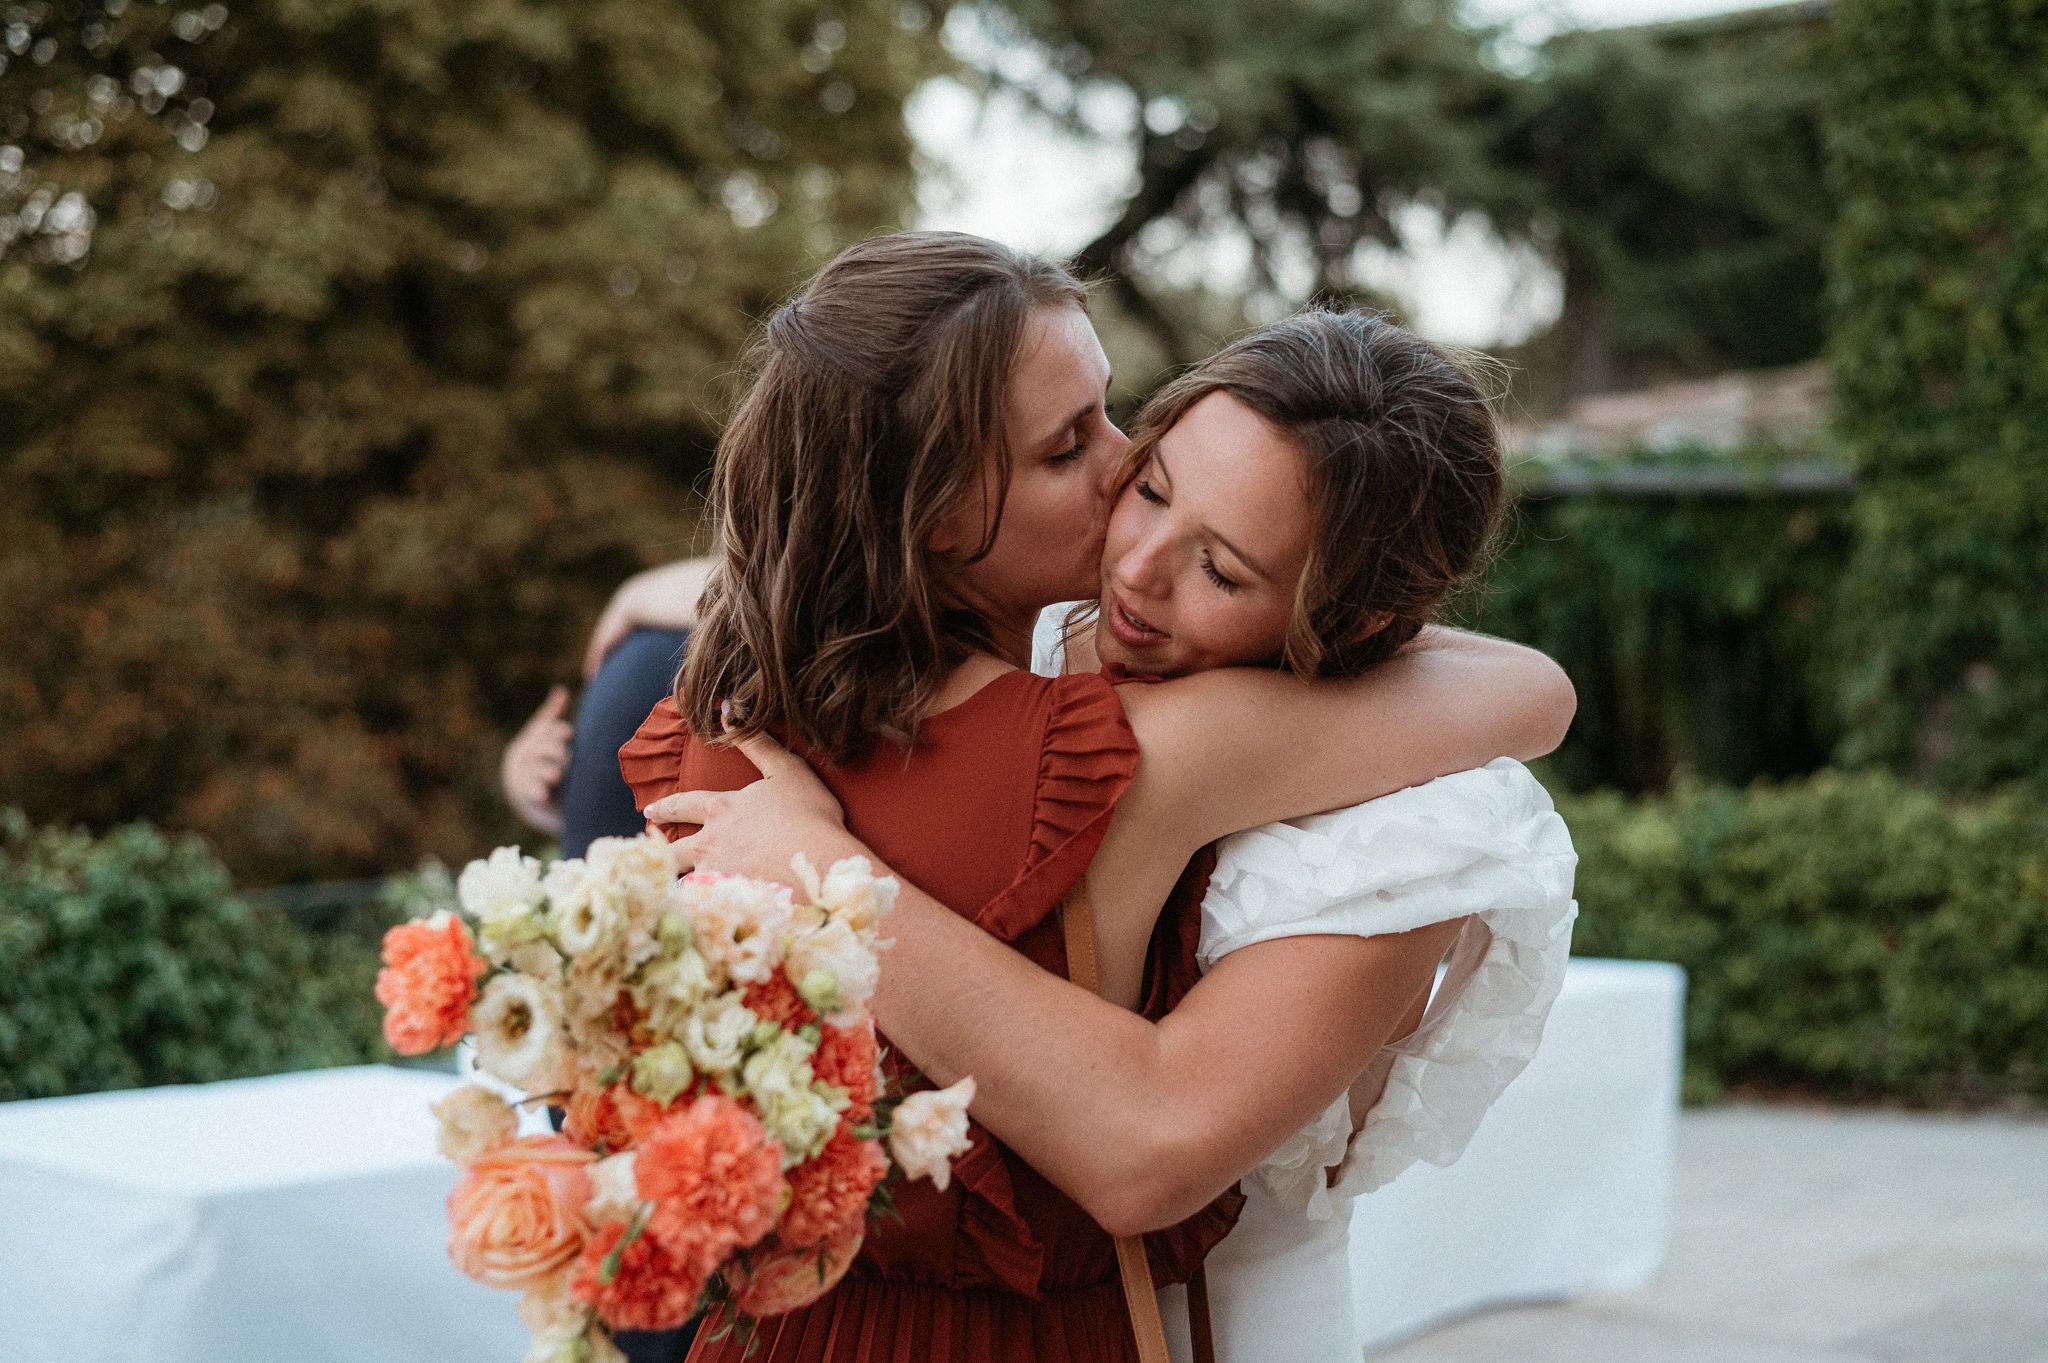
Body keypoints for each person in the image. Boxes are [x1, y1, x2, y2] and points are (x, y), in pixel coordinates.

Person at [616, 230, 1574, 1363]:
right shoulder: (1083, 710)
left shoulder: (715, 727)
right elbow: (1532, 690)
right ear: (927, 508)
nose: (1132, 551)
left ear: (1356, 620)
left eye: (1221, 567)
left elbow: (1531, 693)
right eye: (1140, 474)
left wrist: (829, 873)